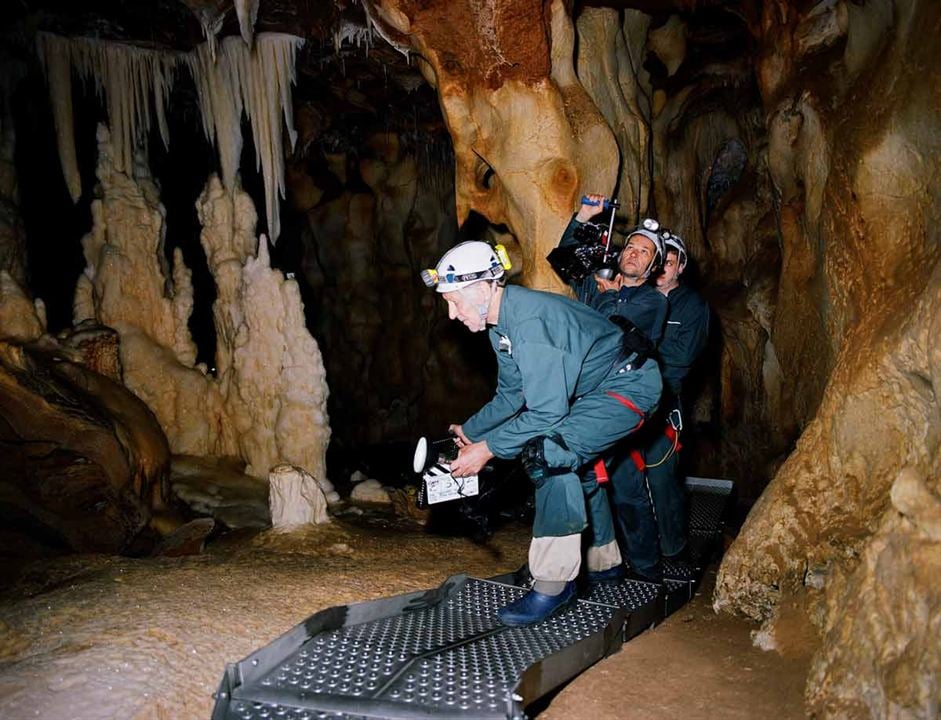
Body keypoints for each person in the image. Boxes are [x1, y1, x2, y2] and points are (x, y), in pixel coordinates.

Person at [423, 240, 661, 626]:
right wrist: (469, 430)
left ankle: (553, 584)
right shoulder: (501, 324)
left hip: (627, 388)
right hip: (599, 388)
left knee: (548, 454)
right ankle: (603, 562)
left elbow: (546, 413)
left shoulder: (530, 325)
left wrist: (485, 450)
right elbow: (511, 394)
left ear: (483, 288)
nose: (452, 314)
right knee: (577, 466)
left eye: (455, 301)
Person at [557, 195, 668, 583]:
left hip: (621, 400)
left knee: (625, 484)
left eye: (645, 252)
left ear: (653, 267)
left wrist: (604, 296)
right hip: (587, 396)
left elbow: (613, 332)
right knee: (582, 474)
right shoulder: (600, 284)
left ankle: (648, 567)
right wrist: (583, 217)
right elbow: (566, 260)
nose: (635, 254)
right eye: (632, 246)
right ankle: (603, 558)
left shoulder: (652, 301)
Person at [642, 231, 710, 561]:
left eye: (668, 263)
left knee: (661, 478)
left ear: (681, 267)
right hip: (625, 400)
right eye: (658, 262)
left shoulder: (693, 307)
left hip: (664, 404)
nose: (661, 269)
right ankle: (637, 549)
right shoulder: (637, 298)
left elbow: (682, 360)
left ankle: (673, 548)